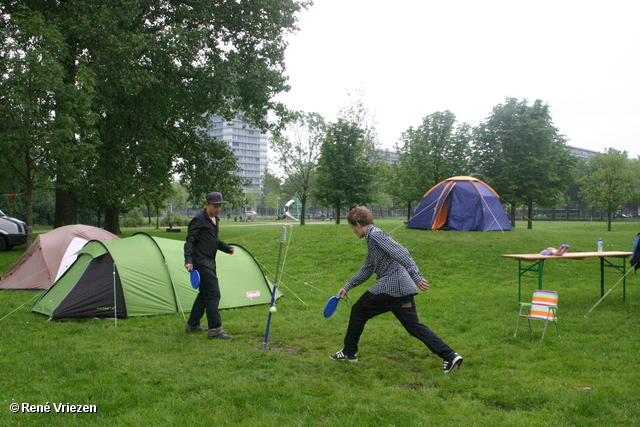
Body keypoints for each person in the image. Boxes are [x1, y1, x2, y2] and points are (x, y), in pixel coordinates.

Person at [330, 207, 463, 373]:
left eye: (352, 227)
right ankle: (450, 356)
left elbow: (402, 253)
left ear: (357, 223)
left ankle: (349, 353)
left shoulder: (376, 234)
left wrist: (417, 277)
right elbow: (368, 267)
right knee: (413, 326)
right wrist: (347, 286)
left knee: (358, 311)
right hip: (403, 289)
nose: (353, 231)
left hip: (391, 286)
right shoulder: (371, 238)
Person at [184, 191, 235, 340]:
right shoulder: (198, 220)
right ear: (207, 205)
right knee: (213, 295)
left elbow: (214, 240)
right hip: (201, 262)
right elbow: (190, 241)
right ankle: (215, 331)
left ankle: (192, 325)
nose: (218, 209)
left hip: (210, 262)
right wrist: (188, 260)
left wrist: (226, 248)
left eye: (220, 206)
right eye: (215, 206)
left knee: (204, 295)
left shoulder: (215, 219)